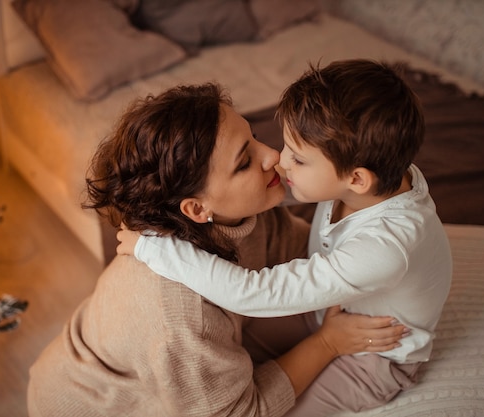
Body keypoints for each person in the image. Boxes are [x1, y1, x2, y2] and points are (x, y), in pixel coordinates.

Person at [26, 82, 407, 417]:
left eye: (254, 136)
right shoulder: (180, 314)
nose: (272, 155)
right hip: (88, 403)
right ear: (196, 209)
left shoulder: (245, 214)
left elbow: (304, 256)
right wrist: (328, 342)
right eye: (244, 162)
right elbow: (241, 412)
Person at [116, 59, 453, 414]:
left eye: (300, 160)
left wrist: (155, 249)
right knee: (235, 354)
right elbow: (266, 187)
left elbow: (255, 293)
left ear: (356, 179)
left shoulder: (385, 246)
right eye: (285, 145)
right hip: (327, 311)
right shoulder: (381, 171)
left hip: (373, 354)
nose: (281, 159)